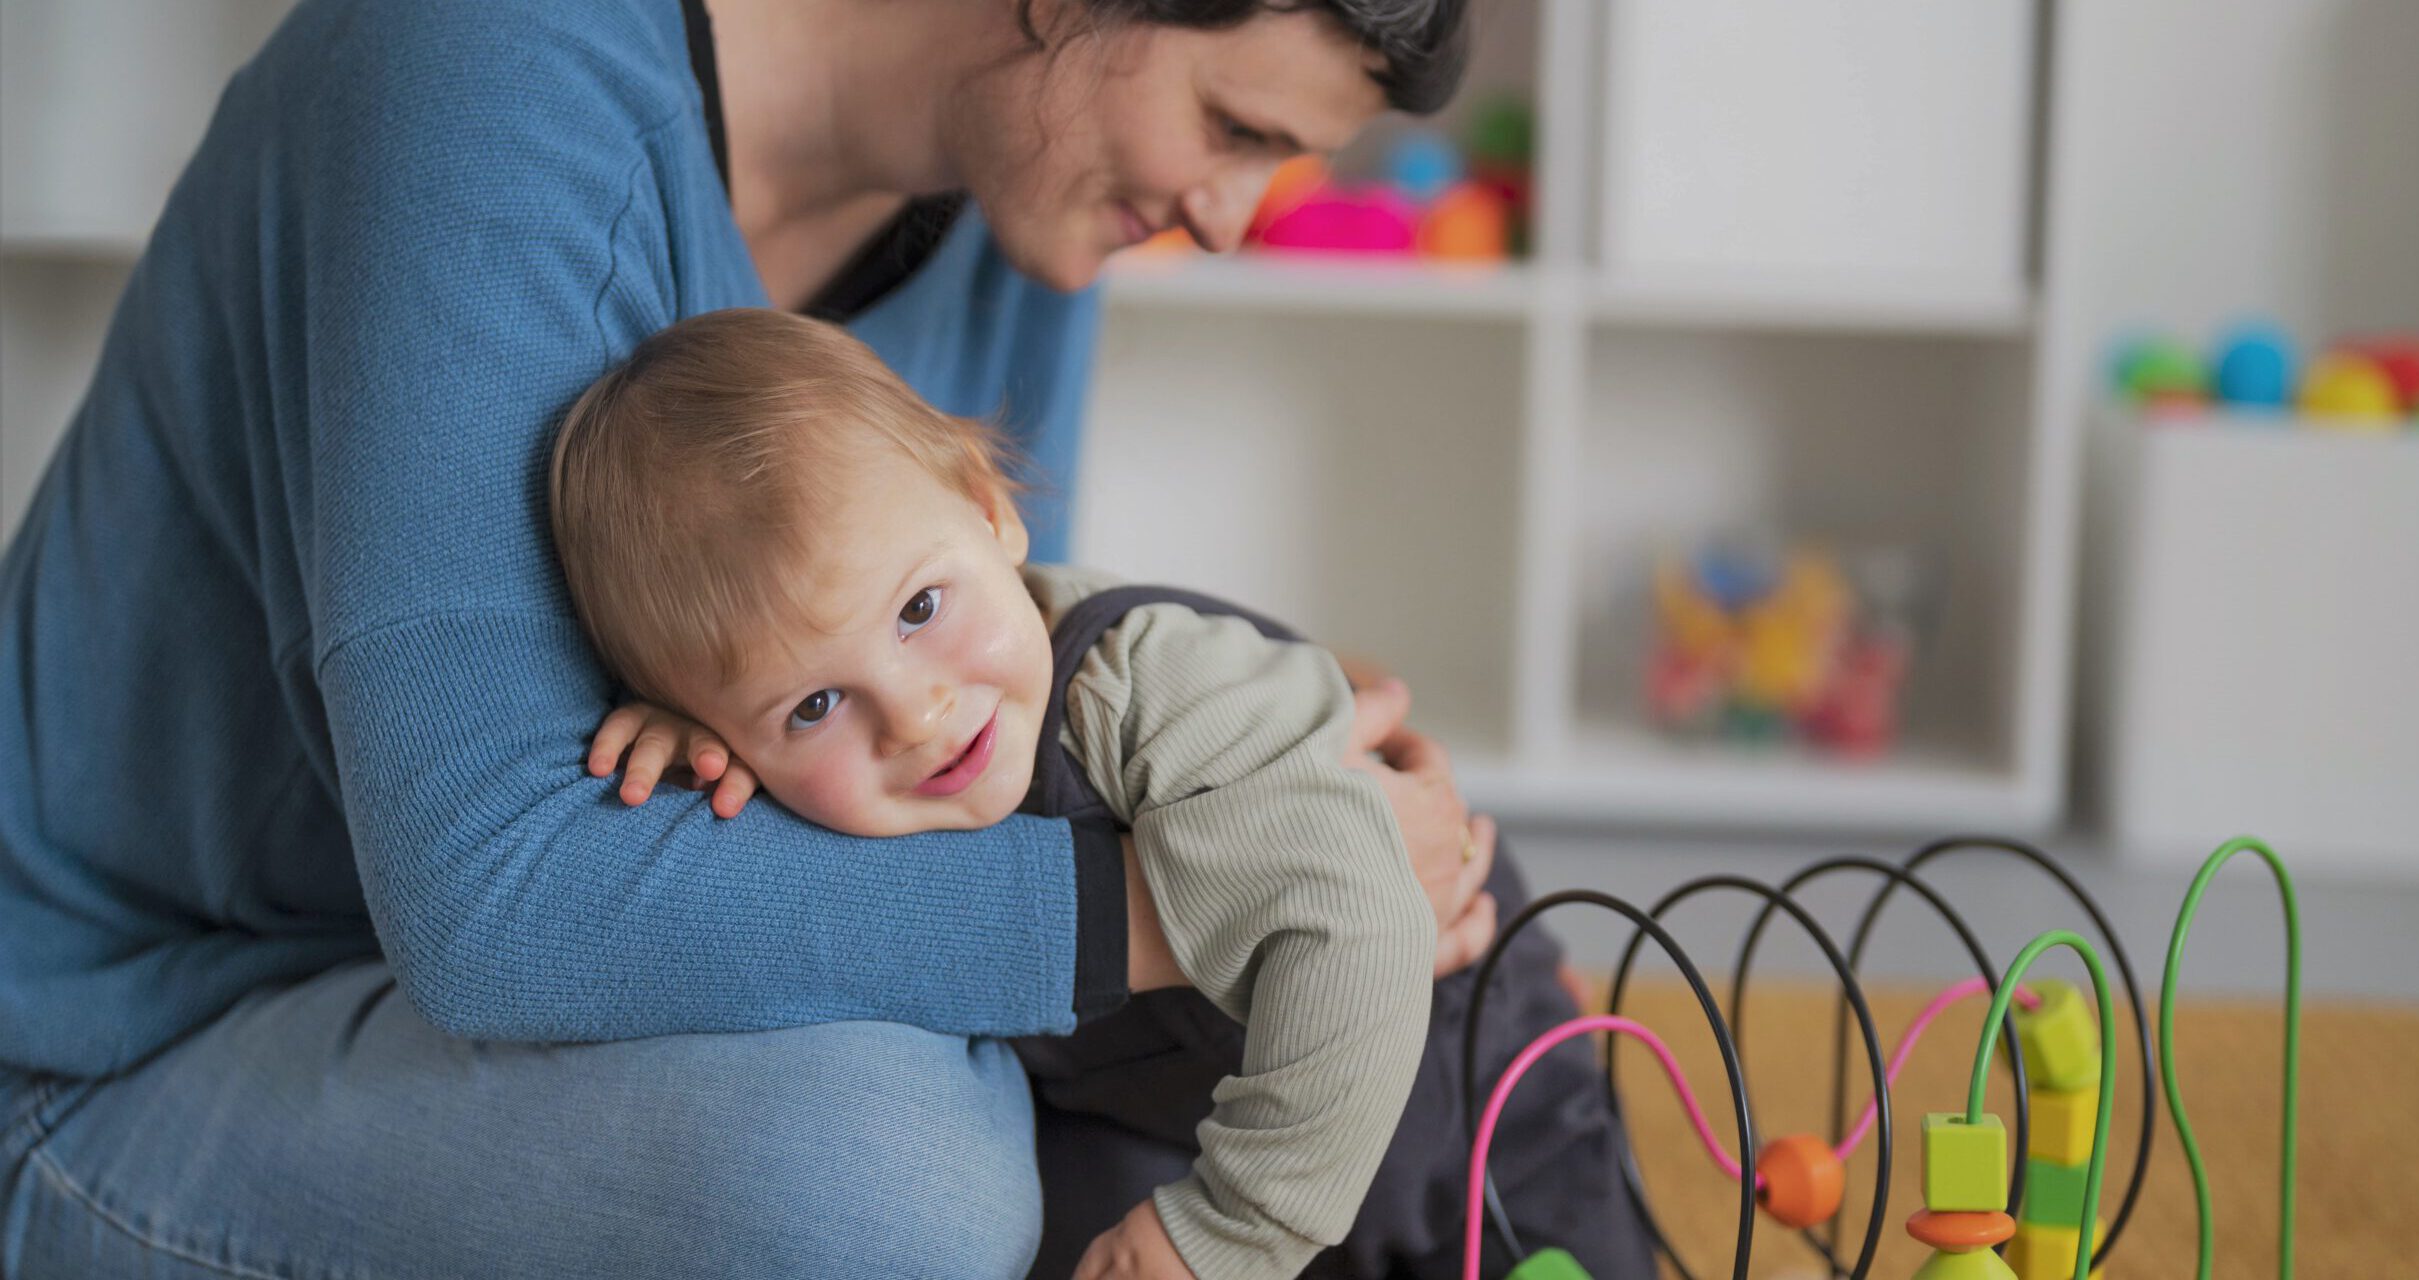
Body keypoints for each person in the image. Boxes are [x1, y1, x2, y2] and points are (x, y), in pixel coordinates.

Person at [0, 1, 1491, 1276]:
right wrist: (1222, 894)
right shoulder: (475, 67)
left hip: (603, 1024)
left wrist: (1276, 764)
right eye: (1233, 126)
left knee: (1375, 960)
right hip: (128, 1042)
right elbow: (503, 902)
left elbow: (989, 778)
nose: (1230, 220)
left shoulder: (1026, 199)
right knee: (899, 1180)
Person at [552, 309, 1652, 1278]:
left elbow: (1352, 929)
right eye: (811, 706)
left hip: (1461, 1099)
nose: (918, 716)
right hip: (1186, 1136)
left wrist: (1227, 1233)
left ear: (991, 514)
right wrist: (700, 763)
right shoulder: (802, 785)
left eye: (921, 608)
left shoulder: (1148, 686)